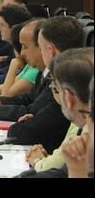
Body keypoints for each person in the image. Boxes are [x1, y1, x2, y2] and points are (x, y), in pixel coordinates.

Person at [0, 17, 83, 153]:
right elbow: (28, 101)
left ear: (49, 50)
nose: (21, 53)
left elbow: (21, 132)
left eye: (26, 47)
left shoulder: (65, 86)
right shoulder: (46, 73)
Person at [16, 50, 93, 178]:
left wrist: (77, 172)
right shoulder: (84, 126)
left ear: (69, 98)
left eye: (55, 88)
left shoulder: (87, 134)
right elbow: (63, 171)